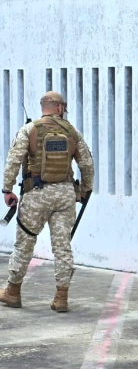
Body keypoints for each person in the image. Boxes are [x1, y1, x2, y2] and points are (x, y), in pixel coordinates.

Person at [0, 91, 94, 313]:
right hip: (65, 195)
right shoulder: (72, 132)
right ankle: (61, 298)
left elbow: (13, 160)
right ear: (60, 108)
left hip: (36, 195)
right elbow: (87, 165)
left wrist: (7, 189)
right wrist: (84, 190)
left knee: (25, 243)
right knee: (62, 247)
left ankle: (13, 292)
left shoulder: (29, 129)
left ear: (44, 107)